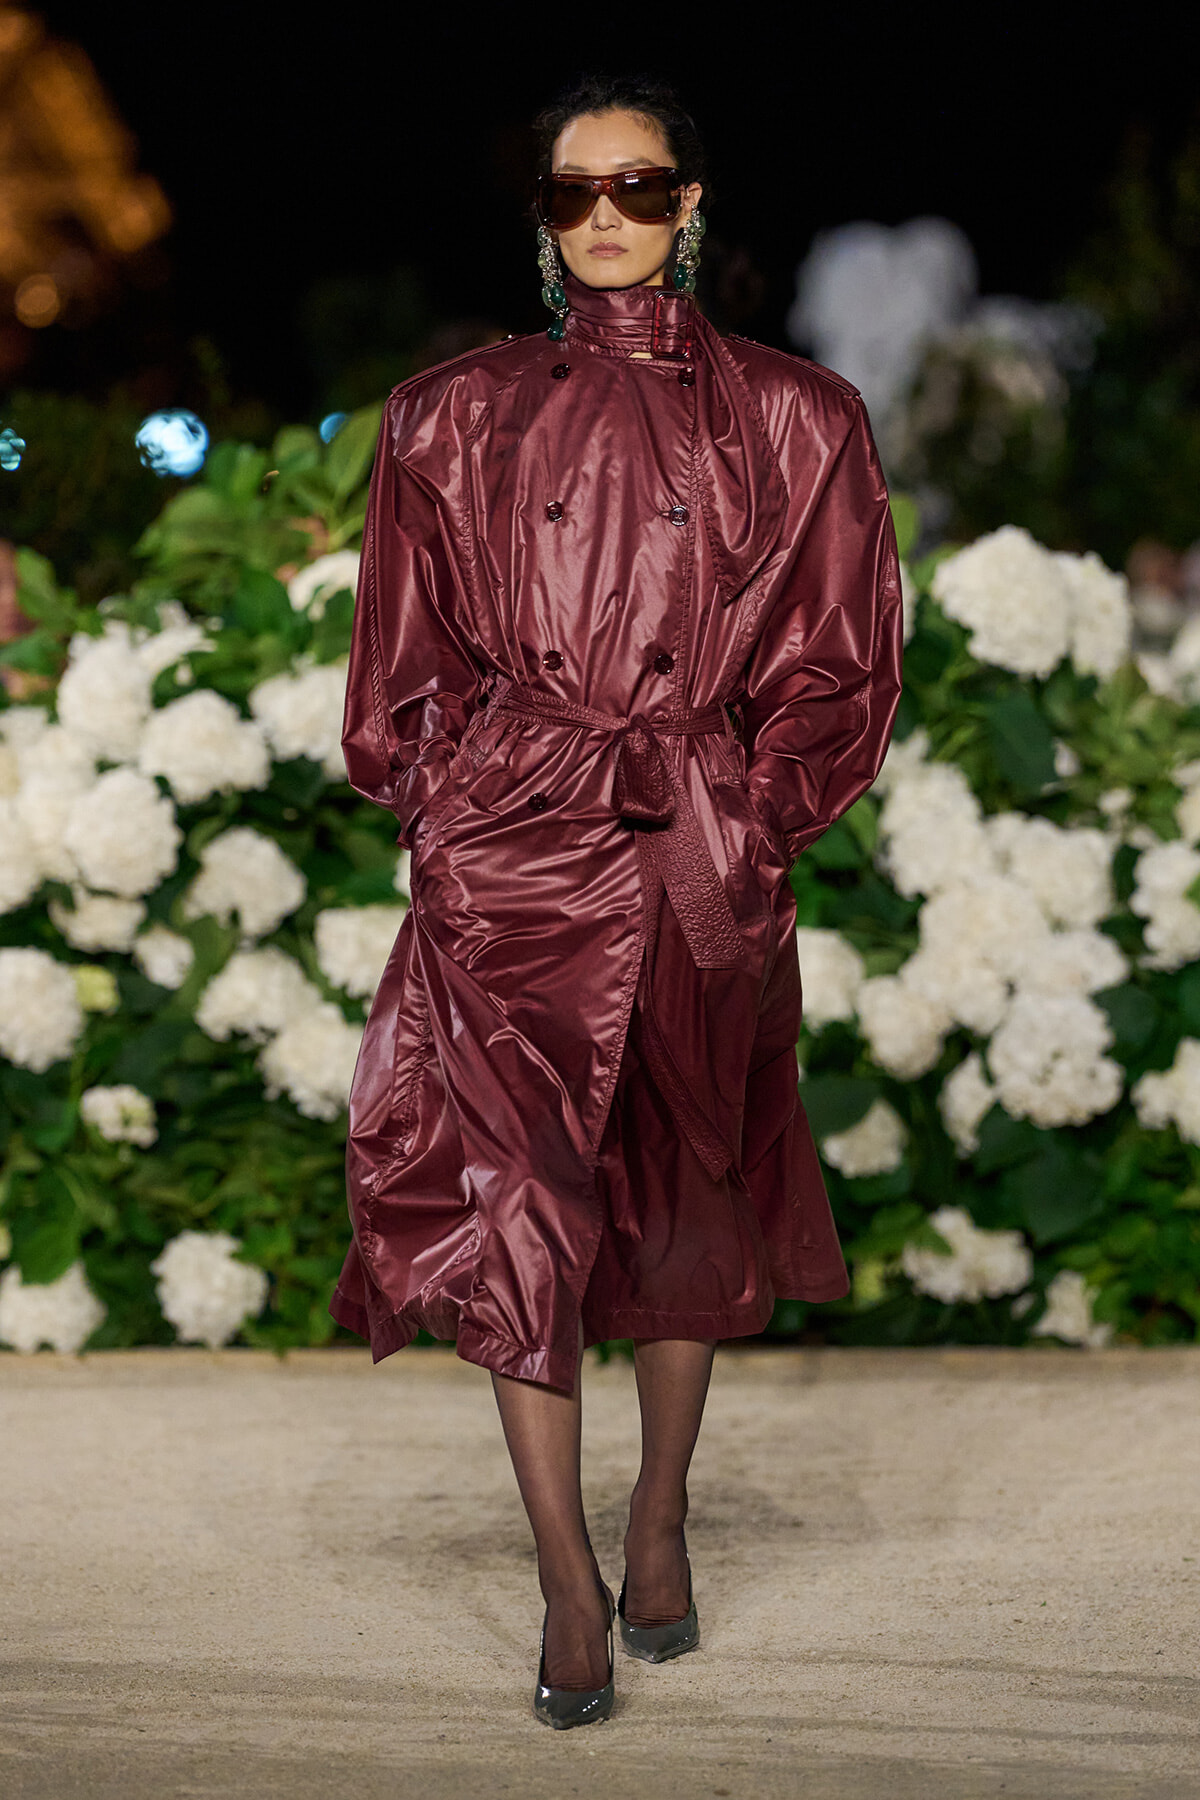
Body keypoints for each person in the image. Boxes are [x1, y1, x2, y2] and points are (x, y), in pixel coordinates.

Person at [329, 74, 904, 1729]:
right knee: (512, 1199)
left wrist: (755, 812)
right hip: (515, 851)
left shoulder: (803, 416)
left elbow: (843, 660)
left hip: (695, 843)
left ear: (692, 204)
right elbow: (398, 669)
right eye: (575, 190)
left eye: (640, 188)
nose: (606, 216)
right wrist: (451, 807)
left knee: (684, 1196)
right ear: (538, 211)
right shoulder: (445, 415)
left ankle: (656, 1521)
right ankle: (566, 1581)